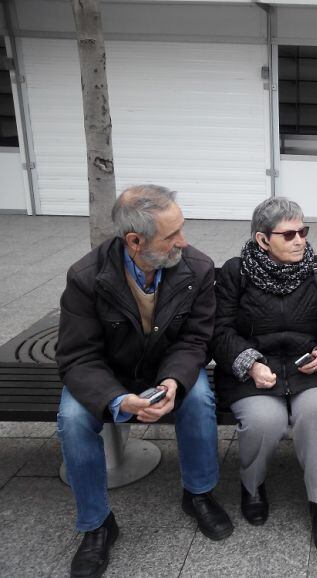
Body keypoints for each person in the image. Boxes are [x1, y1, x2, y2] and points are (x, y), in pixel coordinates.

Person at [56, 185, 232, 578]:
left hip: (168, 367)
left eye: (181, 229)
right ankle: (97, 523)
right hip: (106, 373)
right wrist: (118, 400)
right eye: (171, 236)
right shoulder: (86, 277)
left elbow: (195, 340)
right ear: (134, 241)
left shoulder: (198, 268)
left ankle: (199, 493)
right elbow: (77, 357)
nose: (183, 242)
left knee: (198, 397)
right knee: (72, 418)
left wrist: (172, 382)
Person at [212, 197, 317, 555]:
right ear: (262, 240)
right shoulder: (235, 273)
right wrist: (250, 363)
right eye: (288, 234)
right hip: (254, 369)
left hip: (309, 368)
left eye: (303, 231)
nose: (300, 240)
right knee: (263, 420)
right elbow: (220, 331)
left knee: (316, 414)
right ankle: (252, 486)